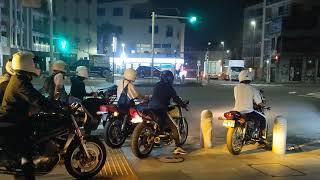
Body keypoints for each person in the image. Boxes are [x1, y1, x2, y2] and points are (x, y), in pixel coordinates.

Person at [0, 51, 48, 180]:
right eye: (32, 62)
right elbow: (37, 99)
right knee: (26, 152)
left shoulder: (18, 78)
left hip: (13, 117)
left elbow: (35, 96)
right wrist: (56, 107)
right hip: (12, 120)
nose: (34, 64)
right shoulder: (20, 82)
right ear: (26, 64)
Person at [148, 70, 187, 155]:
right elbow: (176, 98)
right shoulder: (169, 88)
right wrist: (183, 105)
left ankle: (157, 140)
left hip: (150, 107)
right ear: (169, 79)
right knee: (175, 127)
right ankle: (178, 147)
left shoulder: (157, 85)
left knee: (158, 124)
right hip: (161, 108)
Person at [234, 70, 266, 140]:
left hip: (237, 111)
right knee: (263, 118)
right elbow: (259, 102)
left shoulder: (236, 88)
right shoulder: (253, 89)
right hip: (248, 111)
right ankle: (262, 136)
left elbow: (237, 98)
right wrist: (262, 105)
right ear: (250, 78)